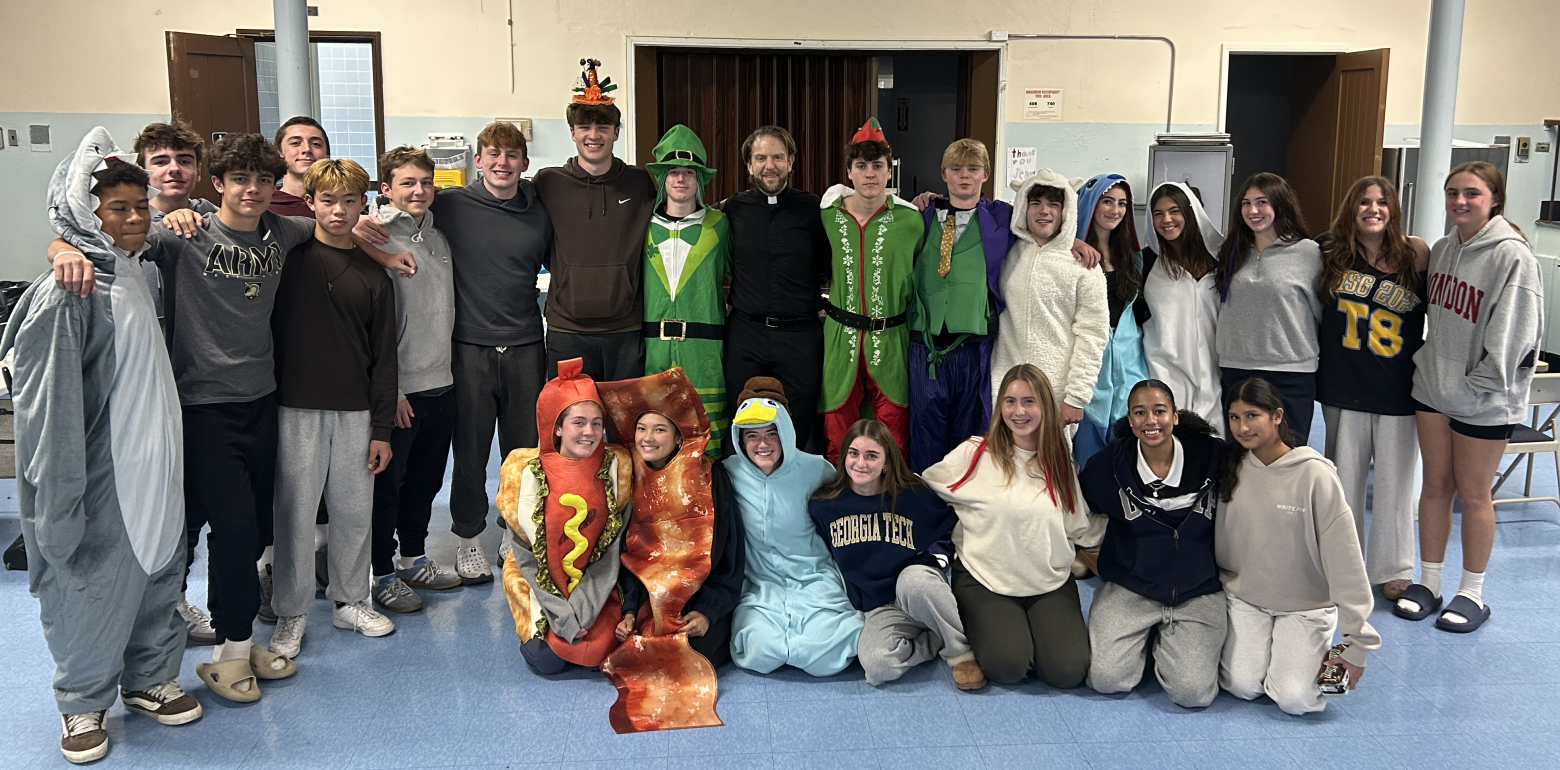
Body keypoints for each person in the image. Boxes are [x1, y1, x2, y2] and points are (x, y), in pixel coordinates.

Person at [48, 133, 315, 701]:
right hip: (200, 407)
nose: (252, 189)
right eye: (239, 179)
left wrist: (382, 247)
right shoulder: (181, 235)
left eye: (263, 180)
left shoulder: (283, 230)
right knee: (234, 528)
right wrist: (60, 251)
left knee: (255, 528)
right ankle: (231, 652)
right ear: (217, 184)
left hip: (261, 400)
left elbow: (337, 227)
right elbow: (104, 237)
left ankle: (233, 639)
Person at [6, 129, 204, 764]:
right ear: (84, 214)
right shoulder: (68, 291)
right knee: (90, 579)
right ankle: (82, 699)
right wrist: (60, 492)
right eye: (117, 208)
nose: (136, 218)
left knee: (156, 566)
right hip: (99, 468)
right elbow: (50, 407)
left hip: (155, 458)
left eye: (140, 206)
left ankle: (149, 678)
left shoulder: (139, 272)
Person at [356, 120, 552, 585]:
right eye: (493, 154)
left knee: (524, 453)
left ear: (525, 163)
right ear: (477, 161)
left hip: (526, 345)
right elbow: (391, 214)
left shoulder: (539, 211)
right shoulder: (451, 204)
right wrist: (365, 222)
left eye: (512, 155)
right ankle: (468, 540)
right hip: (467, 350)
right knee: (469, 452)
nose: (502, 163)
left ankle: (513, 533)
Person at [1395, 161, 1545, 633]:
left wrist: (1476, 383)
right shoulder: (1442, 249)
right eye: (1452, 193)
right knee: (1435, 486)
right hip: (1434, 389)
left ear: (1494, 199)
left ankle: (1472, 593)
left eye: (1472, 193)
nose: (1460, 201)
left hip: (1484, 398)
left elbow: (1515, 337)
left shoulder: (1512, 256)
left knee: (1475, 494)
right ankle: (1429, 582)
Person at [267, 158, 399, 658]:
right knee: (295, 514)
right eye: (328, 201)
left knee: (353, 511)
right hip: (294, 408)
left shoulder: (375, 276)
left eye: (349, 201)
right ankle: (291, 611)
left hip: (356, 412)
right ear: (310, 203)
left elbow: (384, 359)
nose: (339, 211)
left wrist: (381, 429)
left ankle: (350, 600)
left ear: (364, 204)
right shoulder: (288, 260)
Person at [924, 363, 1105, 687]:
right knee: (1008, 666)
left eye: (1028, 401)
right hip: (985, 578)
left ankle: (1034, 631)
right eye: (1010, 401)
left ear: (1045, 406)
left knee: (1067, 672)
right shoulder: (974, 454)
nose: (1018, 411)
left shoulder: (1058, 460)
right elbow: (924, 490)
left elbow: (1078, 524)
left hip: (1047, 579)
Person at [1215, 377, 1378, 715]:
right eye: (1234, 417)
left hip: (1305, 605)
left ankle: (1328, 649)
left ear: (1277, 416)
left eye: (1252, 415)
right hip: (1246, 599)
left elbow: (1345, 559)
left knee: (1294, 699)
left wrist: (1357, 643)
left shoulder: (1315, 475)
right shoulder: (1231, 467)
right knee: (1241, 686)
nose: (1242, 427)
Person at [598, 367, 743, 732]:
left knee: (693, 653)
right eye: (641, 428)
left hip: (701, 594)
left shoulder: (711, 475)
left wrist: (708, 612)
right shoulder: (631, 474)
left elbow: (729, 554)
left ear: (679, 436)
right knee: (635, 651)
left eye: (659, 429)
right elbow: (630, 554)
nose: (647, 438)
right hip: (649, 597)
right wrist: (629, 611)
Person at [1316, 176, 1429, 603]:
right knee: (1342, 485)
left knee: (1395, 487)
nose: (1373, 209)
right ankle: (1343, 566)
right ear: (1352, 208)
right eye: (1364, 201)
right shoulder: (1328, 252)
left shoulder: (1416, 255)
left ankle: (1394, 569)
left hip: (1398, 388)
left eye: (1382, 202)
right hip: (1343, 386)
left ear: (1394, 209)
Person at [1079, 380, 1226, 708]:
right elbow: (1080, 506)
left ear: (1175, 416)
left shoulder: (1212, 456)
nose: (1150, 421)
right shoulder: (1108, 465)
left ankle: (1167, 640)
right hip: (1132, 586)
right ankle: (1145, 639)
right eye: (1140, 413)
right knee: (1107, 680)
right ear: (1130, 420)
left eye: (1159, 411)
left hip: (1197, 590)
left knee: (1192, 694)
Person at [808, 419, 985, 690]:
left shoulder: (912, 496)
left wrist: (940, 557)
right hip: (878, 606)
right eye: (854, 453)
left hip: (914, 587)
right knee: (877, 667)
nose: (860, 463)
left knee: (915, 581)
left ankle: (961, 653)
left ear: (887, 462)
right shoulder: (825, 504)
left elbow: (951, 524)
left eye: (872, 455)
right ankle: (936, 636)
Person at [131, 121, 218, 644]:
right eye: (161, 160)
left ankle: (175, 601)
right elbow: (70, 240)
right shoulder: (127, 220)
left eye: (184, 160)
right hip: (141, 387)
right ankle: (151, 610)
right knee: (151, 504)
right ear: (143, 168)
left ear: (199, 169)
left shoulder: (211, 220)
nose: (174, 170)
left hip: (197, 387)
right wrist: (62, 251)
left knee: (193, 503)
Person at [367, 147, 464, 615]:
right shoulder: (376, 236)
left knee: (425, 482)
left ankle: (412, 558)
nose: (419, 190)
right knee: (389, 487)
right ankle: (381, 573)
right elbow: (374, 325)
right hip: (402, 389)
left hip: (441, 381)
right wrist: (394, 391)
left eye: (426, 182)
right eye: (407, 182)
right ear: (386, 188)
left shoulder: (439, 238)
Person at [496, 358, 632, 674]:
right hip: (541, 585)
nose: (589, 432)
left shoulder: (617, 467)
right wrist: (562, 615)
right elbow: (527, 558)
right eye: (578, 423)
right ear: (557, 428)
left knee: (600, 655)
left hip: (594, 587)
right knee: (549, 661)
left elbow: (610, 553)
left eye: (596, 423)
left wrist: (582, 610)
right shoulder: (524, 471)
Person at [725, 378, 864, 676]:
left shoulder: (817, 469)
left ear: (786, 431)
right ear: (740, 438)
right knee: (760, 651)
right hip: (760, 585)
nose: (762, 444)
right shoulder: (728, 473)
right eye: (752, 435)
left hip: (814, 577)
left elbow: (849, 516)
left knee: (828, 654)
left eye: (772, 433)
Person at [535, 58, 656, 381]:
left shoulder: (639, 182)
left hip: (625, 329)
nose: (594, 135)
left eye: (602, 127)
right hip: (566, 330)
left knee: (623, 412)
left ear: (616, 132)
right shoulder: (548, 183)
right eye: (585, 127)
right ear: (572, 133)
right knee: (570, 413)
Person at [905, 139, 1015, 473]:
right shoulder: (919, 215)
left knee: (968, 437)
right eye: (956, 169)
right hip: (924, 345)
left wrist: (1074, 240)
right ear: (944, 175)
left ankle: (961, 499)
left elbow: (1044, 224)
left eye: (973, 169)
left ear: (986, 174)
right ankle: (925, 496)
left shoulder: (1001, 217)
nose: (964, 175)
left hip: (972, 346)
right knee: (923, 431)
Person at [719, 126, 831, 453]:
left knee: (799, 425)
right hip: (746, 334)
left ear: (791, 161)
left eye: (778, 157)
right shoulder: (732, 210)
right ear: (749, 165)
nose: (770, 166)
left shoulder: (814, 210)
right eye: (761, 158)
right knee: (742, 422)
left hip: (800, 336)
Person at [818, 118, 925, 461]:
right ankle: (839, 493)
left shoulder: (912, 222)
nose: (870, 174)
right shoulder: (826, 216)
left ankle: (891, 493)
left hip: (892, 338)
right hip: (840, 339)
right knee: (837, 432)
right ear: (849, 171)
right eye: (861, 166)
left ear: (889, 171)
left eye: (877, 165)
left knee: (894, 436)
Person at [989, 170, 1108, 433]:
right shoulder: (1006, 253)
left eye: (1054, 204)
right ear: (1023, 207)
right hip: (1004, 386)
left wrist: (1076, 396)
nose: (1044, 211)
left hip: (1056, 391)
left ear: (1066, 211)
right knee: (1004, 456)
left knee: (1052, 458)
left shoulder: (1084, 266)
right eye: (1036, 203)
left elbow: (1093, 335)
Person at [641, 125, 732, 454]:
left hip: (704, 351)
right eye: (673, 172)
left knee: (706, 436)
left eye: (689, 172)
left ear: (700, 180)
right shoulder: (643, 226)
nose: (681, 179)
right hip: (653, 349)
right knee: (656, 435)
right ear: (662, 177)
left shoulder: (719, 225)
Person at [1215, 173, 1323, 445]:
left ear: (1280, 204)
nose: (1253, 210)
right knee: (1239, 456)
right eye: (1246, 203)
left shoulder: (1308, 252)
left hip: (1290, 372)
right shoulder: (1231, 251)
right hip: (1236, 369)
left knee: (1288, 454)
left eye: (1262, 202)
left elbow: (1322, 312)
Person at [1072, 174, 1151, 465]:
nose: (1115, 210)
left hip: (1130, 370)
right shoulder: (1070, 256)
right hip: (1089, 374)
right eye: (1107, 201)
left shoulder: (1133, 258)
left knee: (1128, 461)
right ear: (1090, 204)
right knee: (1089, 465)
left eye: (1122, 203)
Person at [1140, 182, 1224, 432]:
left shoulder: (1220, 260)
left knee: (1214, 443)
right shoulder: (1146, 262)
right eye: (1158, 213)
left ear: (1190, 211)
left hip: (1215, 373)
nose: (1166, 220)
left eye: (1174, 211)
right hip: (1165, 373)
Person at [270, 116, 329, 217]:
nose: (307, 149)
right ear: (279, 154)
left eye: (316, 144)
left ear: (327, 156)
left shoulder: (345, 207)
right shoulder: (264, 207)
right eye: (295, 143)